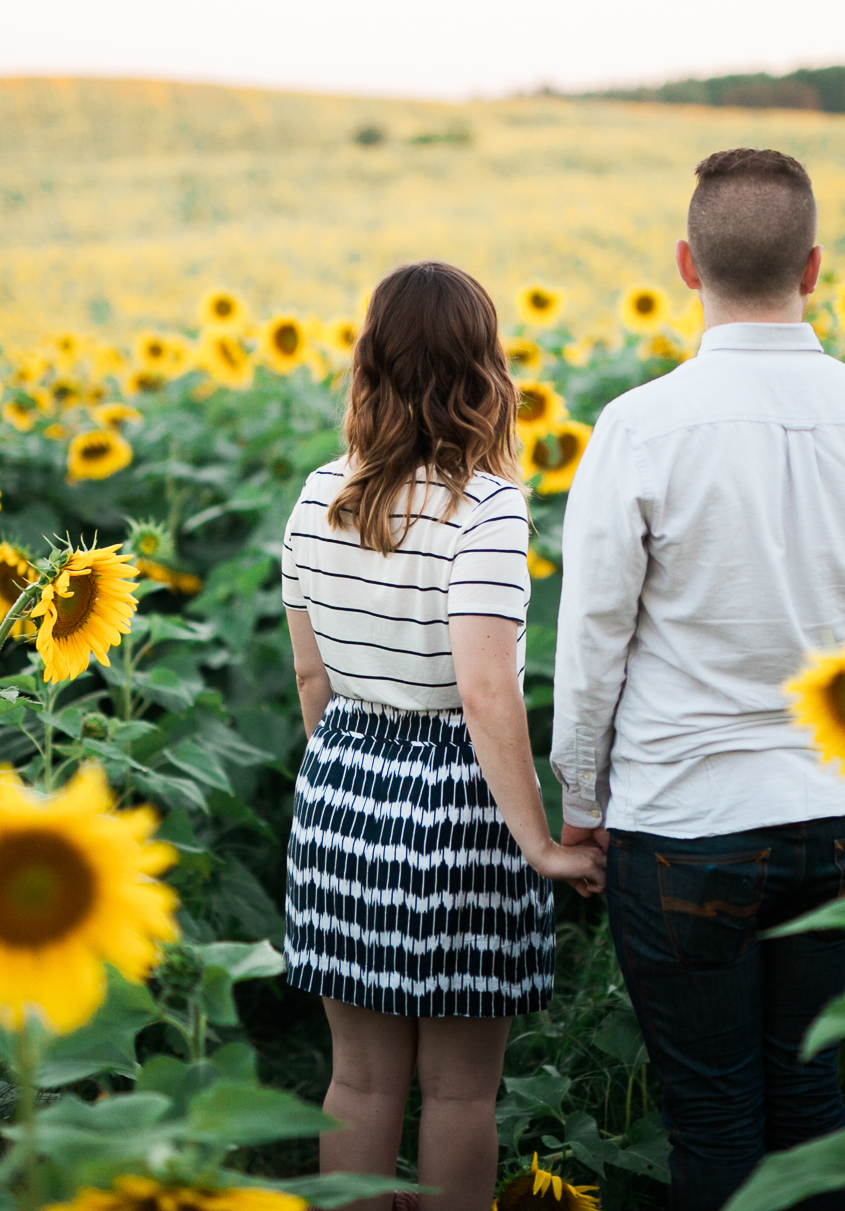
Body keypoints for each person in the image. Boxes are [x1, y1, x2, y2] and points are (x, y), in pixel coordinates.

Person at [550, 148, 845, 1211]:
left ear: (686, 263)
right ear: (813, 266)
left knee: (714, 1116)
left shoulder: (640, 427)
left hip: (680, 825)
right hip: (825, 818)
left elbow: (590, 640)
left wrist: (579, 806)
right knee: (806, 1104)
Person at [281, 260, 606, 1211]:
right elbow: (485, 692)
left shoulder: (318, 495)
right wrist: (539, 842)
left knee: (360, 1083)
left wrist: (342, 769)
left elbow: (310, 674)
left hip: (341, 778)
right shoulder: (488, 507)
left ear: (370, 363)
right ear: (483, 369)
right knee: (459, 1090)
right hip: (460, 799)